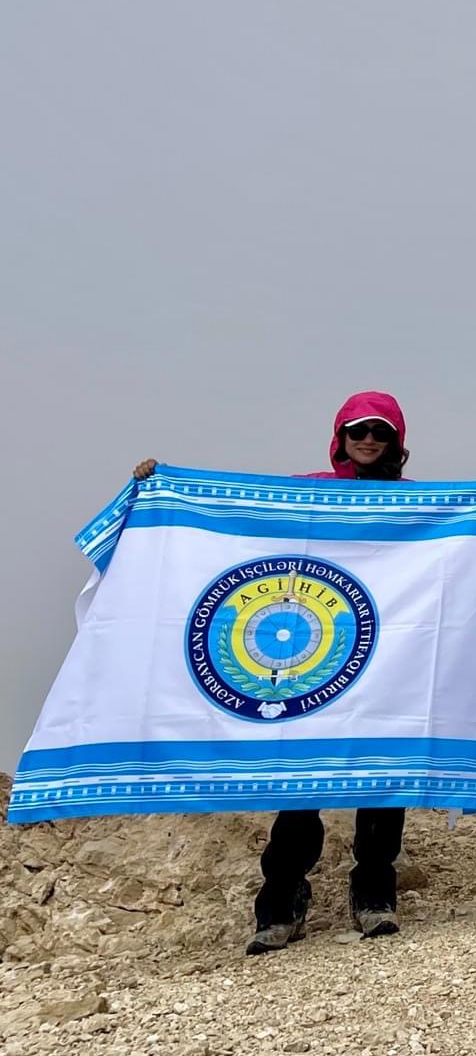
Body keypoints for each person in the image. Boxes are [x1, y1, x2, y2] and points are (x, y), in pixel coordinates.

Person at [136, 391, 417, 954]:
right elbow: (239, 521)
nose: (368, 439)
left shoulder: (418, 503)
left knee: (383, 776)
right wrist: (161, 487)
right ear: (339, 435)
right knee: (300, 783)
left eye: (381, 432)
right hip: (314, 658)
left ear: (396, 443)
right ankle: (281, 903)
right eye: (358, 429)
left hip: (385, 656)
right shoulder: (304, 490)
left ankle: (375, 896)